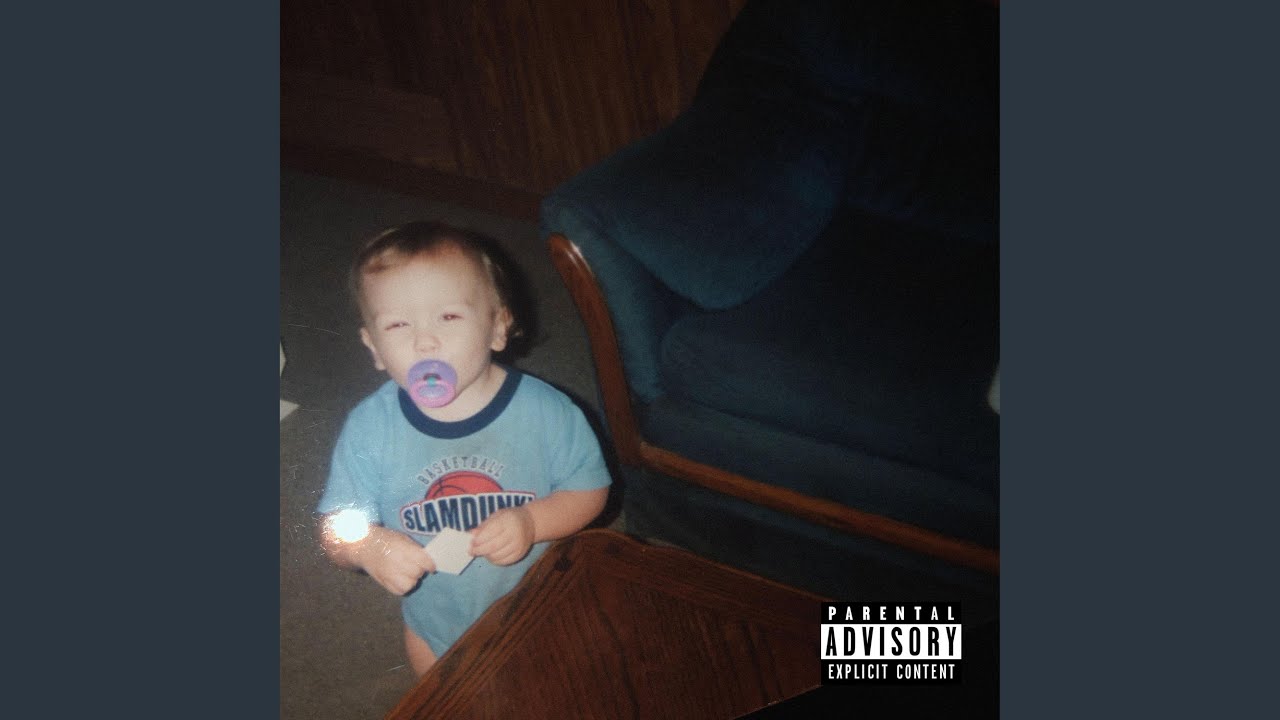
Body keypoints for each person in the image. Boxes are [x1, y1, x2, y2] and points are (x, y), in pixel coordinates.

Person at [316, 221, 611, 676]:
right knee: (446, 696)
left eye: (449, 317)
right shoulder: (370, 429)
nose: (424, 341)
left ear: (498, 326)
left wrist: (532, 522)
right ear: (373, 346)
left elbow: (590, 491)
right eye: (397, 324)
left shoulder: (549, 413)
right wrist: (368, 546)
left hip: (538, 605)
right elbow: (335, 526)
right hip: (436, 623)